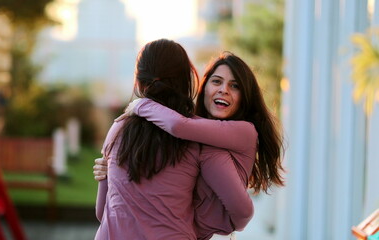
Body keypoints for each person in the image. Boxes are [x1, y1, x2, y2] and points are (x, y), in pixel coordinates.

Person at [94, 51, 285, 239]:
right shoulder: (192, 136)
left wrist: (140, 105)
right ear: (204, 87)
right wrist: (110, 173)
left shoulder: (242, 133)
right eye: (216, 81)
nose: (224, 89)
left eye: (234, 86)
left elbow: (178, 125)